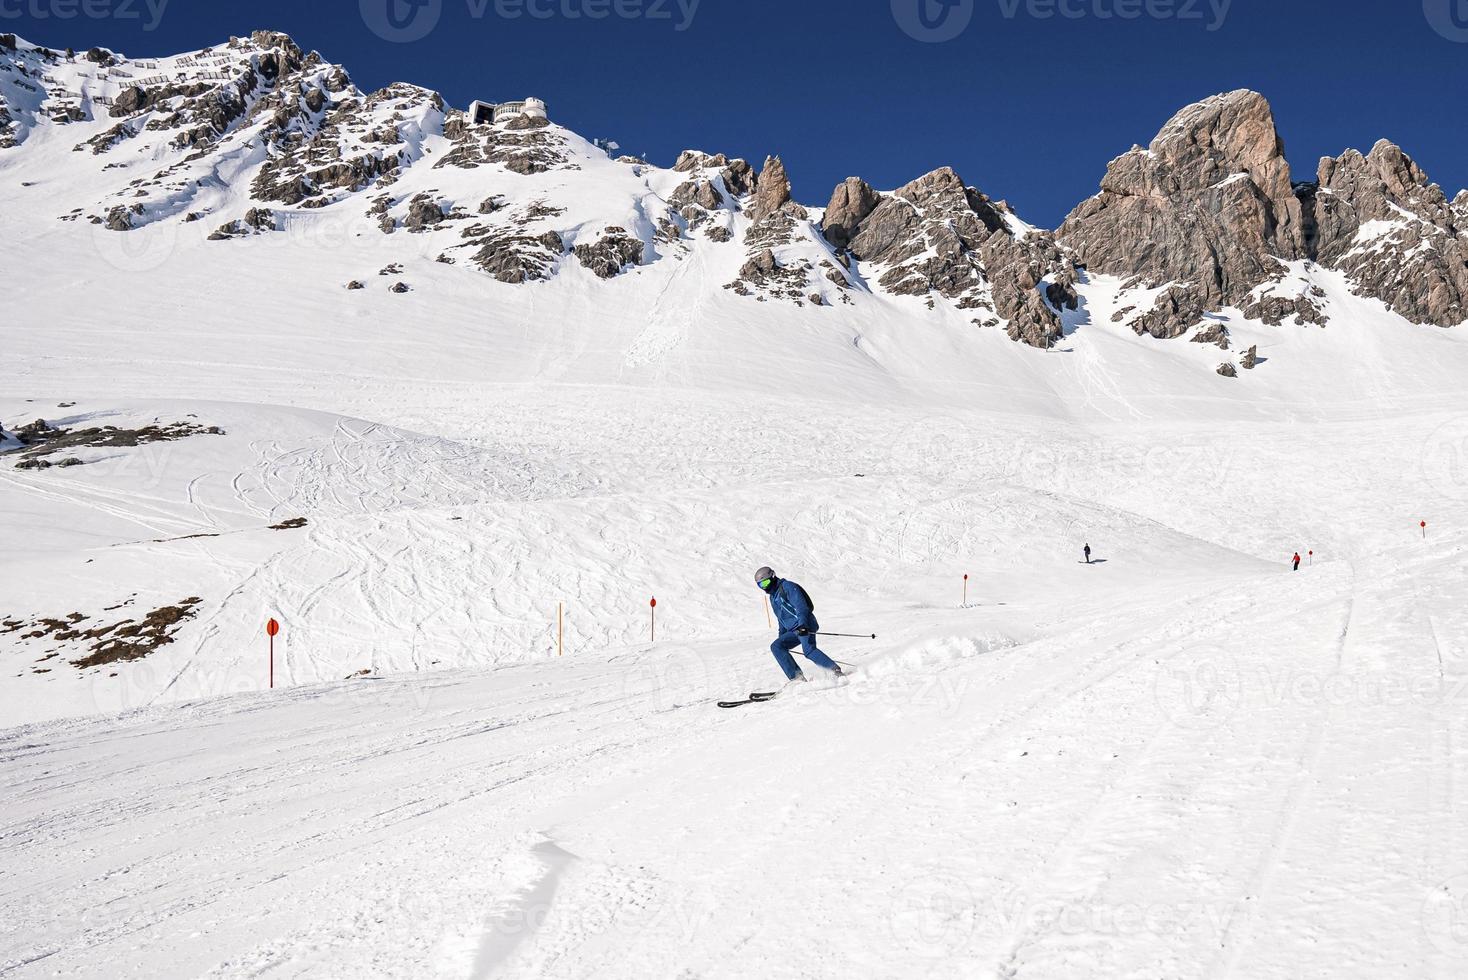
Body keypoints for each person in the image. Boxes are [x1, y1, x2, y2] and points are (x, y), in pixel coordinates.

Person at [755, 566, 844, 686]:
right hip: (793, 630)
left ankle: (835, 671)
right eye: (760, 585)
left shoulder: (788, 587)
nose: (764, 587)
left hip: (805, 624)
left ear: (773, 577)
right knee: (777, 646)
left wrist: (803, 625)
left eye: (765, 582)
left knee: (809, 650)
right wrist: (782, 637)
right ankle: (797, 678)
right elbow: (781, 619)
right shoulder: (773, 597)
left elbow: (801, 607)